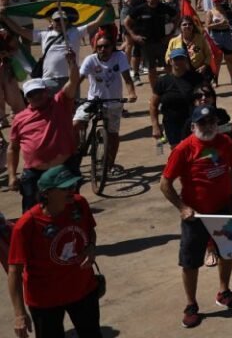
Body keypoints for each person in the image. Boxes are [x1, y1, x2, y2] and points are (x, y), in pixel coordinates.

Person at [160, 105, 232, 329]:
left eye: (211, 122)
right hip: (195, 216)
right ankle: (191, 305)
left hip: (224, 209)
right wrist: (182, 207)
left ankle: (224, 292)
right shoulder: (183, 149)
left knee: (227, 252)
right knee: (190, 262)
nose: (208, 127)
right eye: (202, 123)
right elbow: (164, 183)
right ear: (193, 126)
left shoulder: (224, 143)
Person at [6, 165, 101, 338]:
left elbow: (90, 231)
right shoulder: (27, 225)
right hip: (45, 300)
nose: (72, 190)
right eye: (65, 188)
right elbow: (14, 271)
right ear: (47, 193)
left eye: (73, 185)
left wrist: (91, 249)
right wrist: (19, 313)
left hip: (82, 290)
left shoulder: (79, 204)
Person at [8, 66, 79, 212]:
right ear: (27, 98)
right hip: (35, 173)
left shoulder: (60, 103)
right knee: (32, 212)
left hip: (63, 169)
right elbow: (13, 148)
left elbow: (73, 82)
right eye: (31, 94)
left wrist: (71, 64)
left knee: (71, 209)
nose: (36, 96)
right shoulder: (20, 119)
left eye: (39, 92)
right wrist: (12, 176)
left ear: (46, 91)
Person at [73, 32, 135, 179]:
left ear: (112, 47)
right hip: (93, 101)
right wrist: (70, 97)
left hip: (113, 102)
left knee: (113, 135)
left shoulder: (119, 56)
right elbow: (78, 80)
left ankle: (111, 165)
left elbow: (127, 78)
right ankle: (77, 147)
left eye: (106, 46)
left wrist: (131, 93)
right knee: (75, 123)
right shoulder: (90, 60)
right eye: (99, 47)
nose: (102, 49)